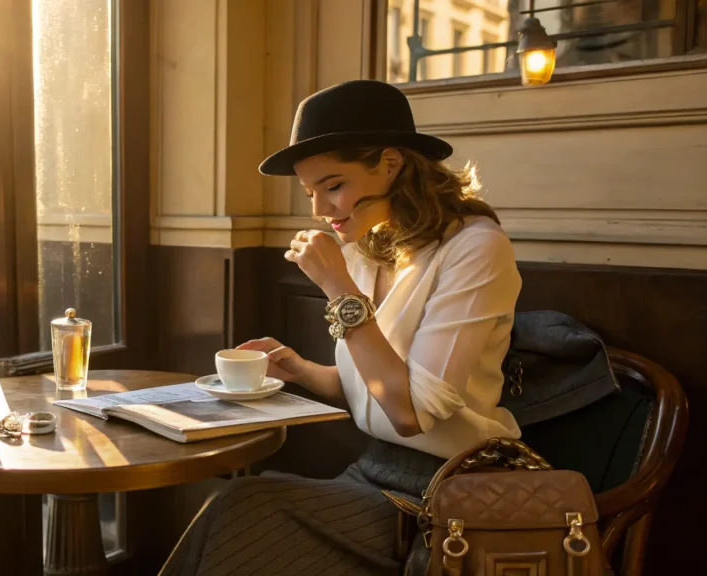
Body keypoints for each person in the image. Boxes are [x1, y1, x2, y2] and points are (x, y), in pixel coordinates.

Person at [159, 80, 523, 575]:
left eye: (333, 186)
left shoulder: (476, 249)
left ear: (391, 164)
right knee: (238, 508)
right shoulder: (374, 247)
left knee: (247, 505)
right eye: (311, 192)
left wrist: (338, 287)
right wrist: (301, 369)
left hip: (447, 494)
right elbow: (371, 384)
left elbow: (411, 413)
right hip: (372, 472)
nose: (319, 209)